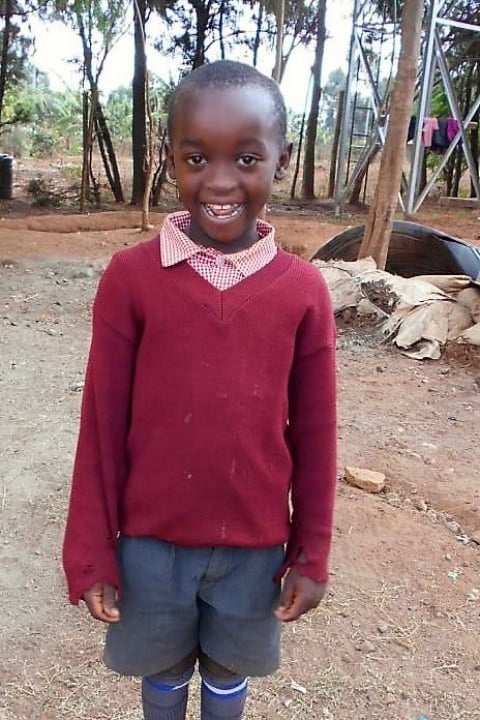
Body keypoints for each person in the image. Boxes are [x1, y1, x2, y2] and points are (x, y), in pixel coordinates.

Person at [63, 59, 337, 720]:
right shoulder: (131, 279)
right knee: (160, 669)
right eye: (196, 158)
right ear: (170, 160)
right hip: (150, 546)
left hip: (255, 549)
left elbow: (317, 434)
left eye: (246, 158)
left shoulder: (303, 291)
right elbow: (101, 424)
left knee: (227, 670)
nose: (219, 181)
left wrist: (312, 551)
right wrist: (92, 549)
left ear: (282, 160)